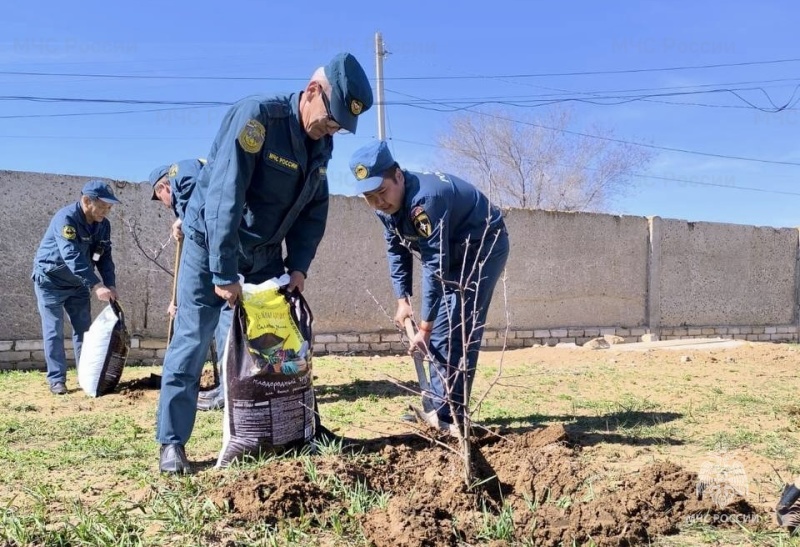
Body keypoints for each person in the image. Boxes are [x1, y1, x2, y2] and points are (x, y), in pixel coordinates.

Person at [156, 52, 373, 473]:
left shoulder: (320, 144)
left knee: (284, 341)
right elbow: (224, 194)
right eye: (330, 121)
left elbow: (315, 209)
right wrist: (222, 269)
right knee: (193, 341)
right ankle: (172, 443)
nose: (331, 132)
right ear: (312, 92)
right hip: (212, 247)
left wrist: (299, 266)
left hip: (265, 254)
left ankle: (303, 427)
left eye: (338, 129)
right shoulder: (259, 118)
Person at [349, 140, 509, 436]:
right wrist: (402, 300)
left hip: (482, 245)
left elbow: (434, 265)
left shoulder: (426, 200)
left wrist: (424, 327)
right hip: (450, 248)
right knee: (443, 330)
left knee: (456, 327)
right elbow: (396, 247)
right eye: (370, 197)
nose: (379, 202)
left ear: (398, 175)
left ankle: (449, 413)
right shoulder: (383, 206)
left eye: (382, 192)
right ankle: (437, 407)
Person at [148, 159, 226, 411]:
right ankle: (228, 387)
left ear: (163, 188)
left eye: (160, 197)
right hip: (224, 247)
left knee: (222, 321)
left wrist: (184, 218)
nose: (163, 203)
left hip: (222, 253)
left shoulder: (182, 171)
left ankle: (227, 390)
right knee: (224, 320)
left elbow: (203, 193)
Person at [31, 180, 120, 395]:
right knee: (53, 331)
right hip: (50, 282)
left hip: (79, 284)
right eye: (103, 206)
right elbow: (70, 254)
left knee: (84, 331)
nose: (106, 212)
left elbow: (104, 257)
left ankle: (86, 377)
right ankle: (57, 379)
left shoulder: (103, 225)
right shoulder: (67, 218)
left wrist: (110, 284)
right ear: (86, 201)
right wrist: (96, 284)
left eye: (110, 207)